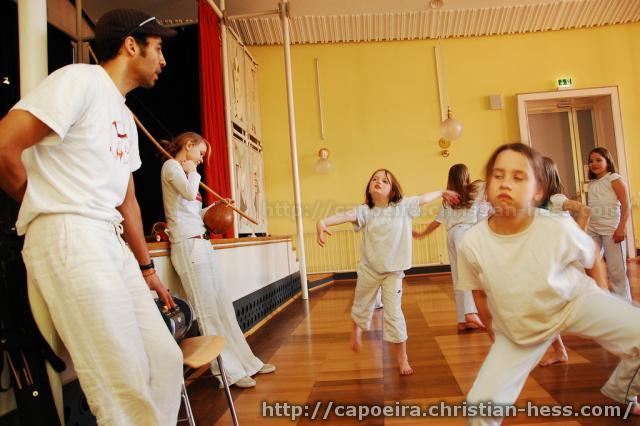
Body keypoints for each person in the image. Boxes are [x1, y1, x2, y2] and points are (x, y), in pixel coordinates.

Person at [0, 9, 183, 425]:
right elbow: (4, 146)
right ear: (130, 44)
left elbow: (128, 203)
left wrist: (146, 268)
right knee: (123, 384)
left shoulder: (122, 114)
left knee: (165, 359)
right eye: (157, 48)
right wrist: (43, 201)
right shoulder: (79, 81)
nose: (164, 59)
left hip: (109, 239)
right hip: (69, 234)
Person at [456, 143, 640, 425]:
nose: (506, 183)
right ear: (487, 188)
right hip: (522, 326)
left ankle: (622, 389)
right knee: (480, 410)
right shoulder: (472, 242)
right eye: (498, 175)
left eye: (519, 177)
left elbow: (591, 255)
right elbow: (478, 293)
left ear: (538, 191)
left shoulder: (554, 226)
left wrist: (604, 300)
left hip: (574, 301)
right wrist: (495, 334)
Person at [316, 169, 459, 375]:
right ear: (369, 187)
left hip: (393, 272)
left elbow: (423, 199)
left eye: (384, 181)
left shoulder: (402, 207)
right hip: (370, 269)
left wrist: (442, 191)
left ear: (393, 190)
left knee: (394, 314)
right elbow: (344, 215)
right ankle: (357, 329)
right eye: (374, 179)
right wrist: (323, 222)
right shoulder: (365, 211)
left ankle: (403, 358)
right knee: (361, 302)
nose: (378, 182)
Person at [160, 132, 275, 389]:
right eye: (200, 153)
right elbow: (190, 194)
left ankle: (248, 363)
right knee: (208, 312)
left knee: (223, 307)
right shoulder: (171, 167)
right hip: (187, 246)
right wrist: (192, 173)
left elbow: (193, 211)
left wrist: (215, 208)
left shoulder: (185, 173)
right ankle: (228, 374)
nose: (200, 160)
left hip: (202, 242)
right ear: (188, 146)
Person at [413, 164, 489, 332]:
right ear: (466, 175)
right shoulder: (477, 188)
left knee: (458, 277)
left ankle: (462, 320)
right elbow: (489, 188)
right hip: (466, 235)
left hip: (452, 236)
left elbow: (437, 221)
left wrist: (422, 234)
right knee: (469, 275)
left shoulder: (448, 199)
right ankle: (470, 312)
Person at [538, 156, 596, 367]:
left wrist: (578, 240)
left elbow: (585, 210)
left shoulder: (556, 199)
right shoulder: (539, 202)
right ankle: (560, 350)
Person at [586, 147, 633, 302]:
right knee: (590, 264)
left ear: (607, 161)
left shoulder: (614, 178)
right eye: (591, 161)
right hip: (593, 229)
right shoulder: (592, 183)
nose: (594, 163)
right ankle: (601, 300)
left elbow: (627, 205)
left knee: (616, 271)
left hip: (611, 229)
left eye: (598, 160)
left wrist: (621, 228)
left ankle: (623, 304)